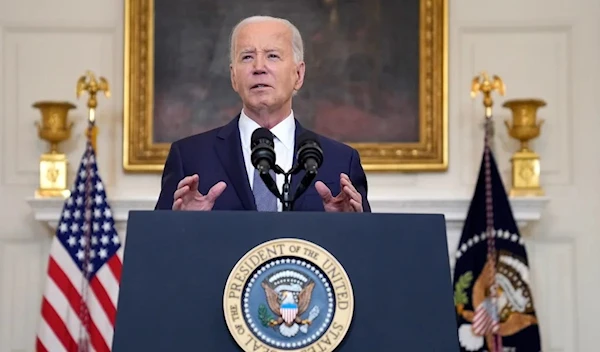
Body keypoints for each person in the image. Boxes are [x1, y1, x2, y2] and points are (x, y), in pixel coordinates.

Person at [154, 15, 371, 213]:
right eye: (247, 57)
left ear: (298, 74)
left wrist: (348, 227)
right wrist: (183, 226)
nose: (259, 67)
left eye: (273, 56)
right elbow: (158, 248)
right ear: (234, 77)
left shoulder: (340, 161)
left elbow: (368, 250)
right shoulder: (190, 158)